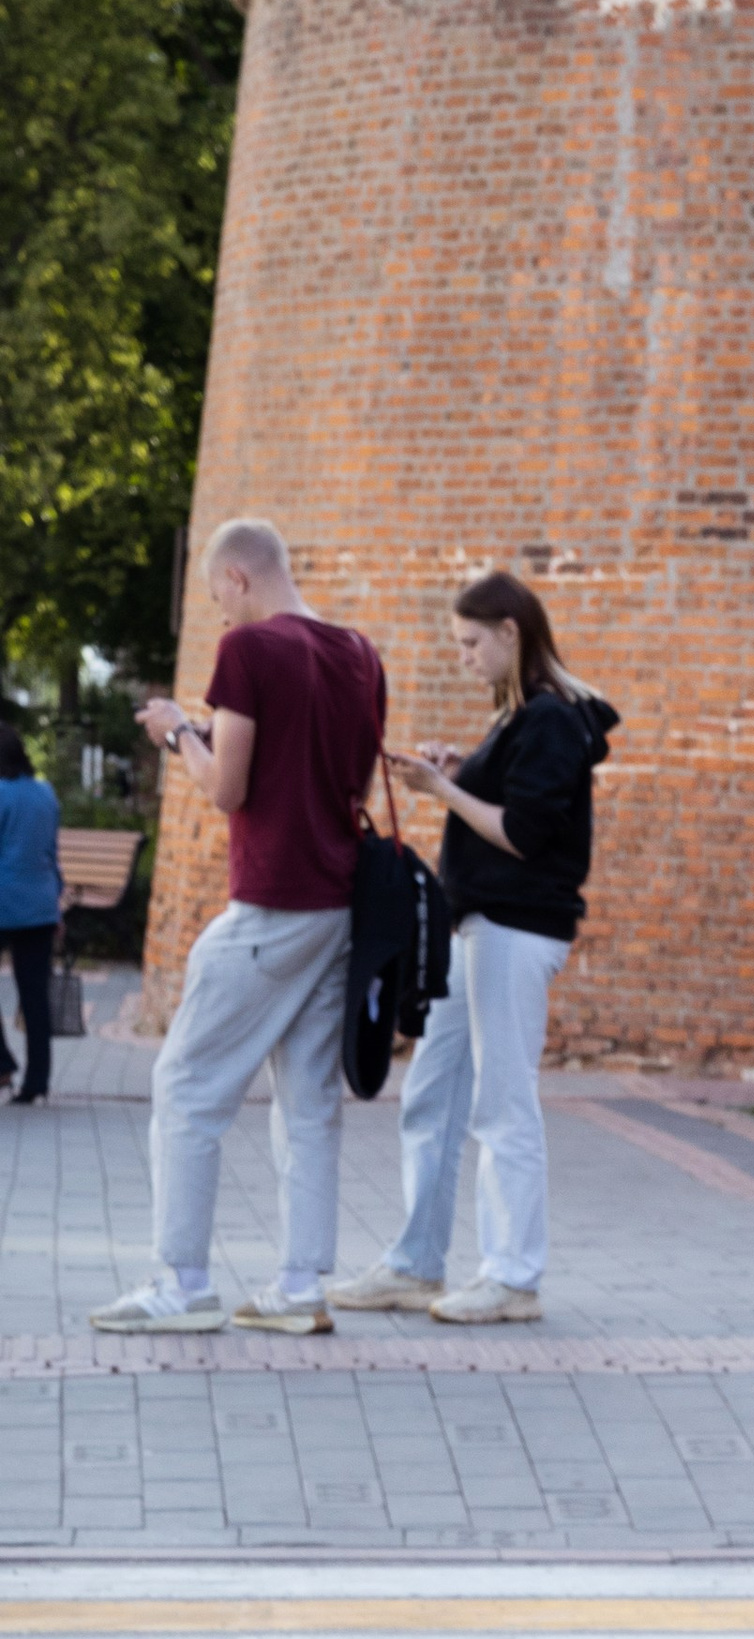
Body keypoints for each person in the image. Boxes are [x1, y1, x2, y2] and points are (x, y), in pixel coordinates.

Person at [95, 518, 385, 1334]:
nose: (220, 613)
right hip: (339, 903)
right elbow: (355, 787)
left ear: (237, 578)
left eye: (217, 596)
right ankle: (300, 1286)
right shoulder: (360, 654)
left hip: (270, 901)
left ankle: (182, 1282)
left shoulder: (249, 650)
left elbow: (227, 788)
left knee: (186, 1085)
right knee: (309, 1102)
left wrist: (179, 732)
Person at [333, 572, 617, 1325]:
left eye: (470, 643)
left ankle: (513, 1277)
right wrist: (463, 772)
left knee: (503, 1102)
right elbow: (514, 802)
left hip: (515, 930)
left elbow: (522, 834)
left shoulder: (551, 719)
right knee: (431, 1092)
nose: (462, 657)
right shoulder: (520, 718)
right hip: (478, 928)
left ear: (510, 633)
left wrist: (442, 790)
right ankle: (415, 1263)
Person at [0, 726, 62, 1106]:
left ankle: (3, 1063)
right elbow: (52, 852)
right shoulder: (45, 793)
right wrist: (56, 903)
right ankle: (37, 1081)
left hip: (4, 902)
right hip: (40, 906)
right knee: (35, 996)